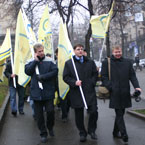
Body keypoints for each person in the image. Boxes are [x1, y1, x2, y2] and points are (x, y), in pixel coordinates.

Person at [101, 46, 141, 143]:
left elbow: (132, 76)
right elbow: (104, 77)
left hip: (125, 91)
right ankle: (124, 134)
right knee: (119, 113)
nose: (118, 53)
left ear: (121, 51)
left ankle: (115, 132)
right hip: (114, 92)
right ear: (112, 52)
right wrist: (111, 87)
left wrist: (137, 87)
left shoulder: (127, 62)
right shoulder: (107, 62)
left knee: (121, 112)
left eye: (119, 51)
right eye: (116, 52)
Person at [63, 44, 98, 142]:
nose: (80, 51)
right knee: (79, 114)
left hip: (89, 91)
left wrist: (92, 82)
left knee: (94, 112)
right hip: (77, 92)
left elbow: (95, 74)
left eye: (82, 49)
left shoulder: (90, 62)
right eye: (78, 49)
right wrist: (74, 82)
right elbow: (65, 77)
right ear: (74, 51)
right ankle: (82, 132)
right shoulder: (69, 63)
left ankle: (92, 130)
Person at [25, 43, 58, 143]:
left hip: (48, 91)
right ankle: (43, 133)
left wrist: (44, 77)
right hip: (36, 93)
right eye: (39, 51)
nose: (42, 53)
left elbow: (55, 72)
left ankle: (50, 126)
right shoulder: (30, 61)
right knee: (39, 115)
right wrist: (35, 62)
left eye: (42, 50)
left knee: (50, 111)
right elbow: (27, 71)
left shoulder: (50, 61)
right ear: (35, 52)